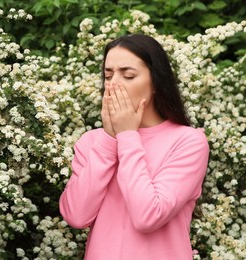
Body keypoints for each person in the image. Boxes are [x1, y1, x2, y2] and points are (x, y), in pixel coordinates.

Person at [59, 34, 210, 260]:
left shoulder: (188, 142)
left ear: (156, 84)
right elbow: (76, 216)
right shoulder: (91, 142)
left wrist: (128, 136)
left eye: (128, 75)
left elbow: (148, 215)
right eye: (108, 75)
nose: (114, 84)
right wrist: (110, 140)